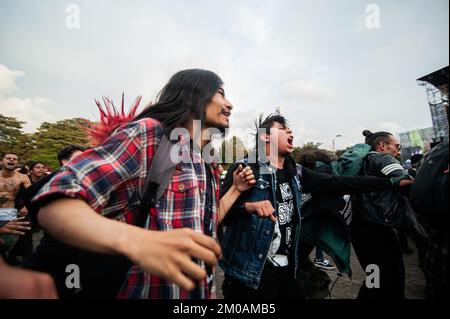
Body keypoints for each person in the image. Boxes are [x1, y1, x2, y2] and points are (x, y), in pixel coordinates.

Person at [30, 69, 253, 299]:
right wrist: (135, 241)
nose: (230, 104)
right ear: (192, 94)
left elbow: (206, 224)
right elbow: (56, 201)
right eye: (220, 93)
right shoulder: (151, 134)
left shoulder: (207, 160)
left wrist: (236, 189)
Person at [219, 115, 413, 299]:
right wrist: (249, 207)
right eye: (283, 129)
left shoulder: (296, 173)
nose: (290, 133)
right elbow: (220, 215)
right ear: (265, 136)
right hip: (249, 273)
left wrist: (392, 183)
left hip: (287, 270)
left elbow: (343, 183)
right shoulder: (245, 168)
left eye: (290, 130)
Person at [351, 130, 414, 299]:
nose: (398, 151)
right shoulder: (383, 158)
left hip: (361, 226)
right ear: (382, 145)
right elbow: (404, 180)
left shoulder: (361, 163)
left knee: (374, 276)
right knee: (393, 275)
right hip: (378, 226)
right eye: (396, 146)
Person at [0, 153, 31, 260]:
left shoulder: (22, 177)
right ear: (2, 161)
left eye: (15, 159)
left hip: (8, 211)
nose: (12, 160)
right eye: (8, 158)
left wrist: (26, 206)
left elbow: (31, 193)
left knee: (5, 243)